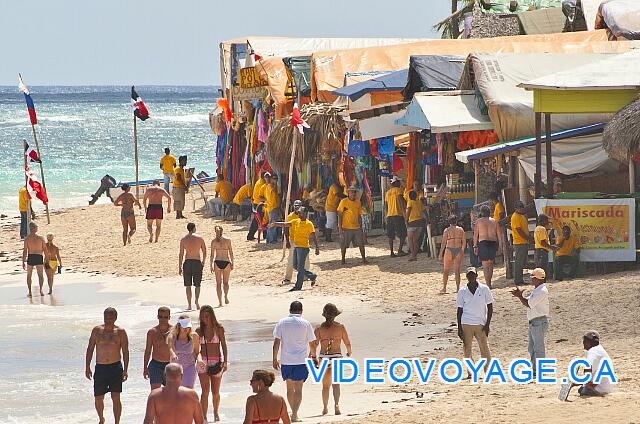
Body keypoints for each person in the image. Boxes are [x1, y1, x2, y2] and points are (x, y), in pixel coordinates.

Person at [273, 301, 316, 423]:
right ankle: (295, 414)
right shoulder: (306, 323)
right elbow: (312, 343)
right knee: (299, 389)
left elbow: (276, 342)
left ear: (289, 310)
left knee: (289, 389)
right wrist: (313, 356)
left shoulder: (281, 322)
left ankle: (293, 412)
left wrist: (274, 358)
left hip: (286, 361)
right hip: (300, 361)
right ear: (301, 311)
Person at [85, 307, 129, 424]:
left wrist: (125, 370)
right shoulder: (96, 330)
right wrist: (87, 366)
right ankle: (101, 419)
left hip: (115, 367)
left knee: (116, 397)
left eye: (110, 318)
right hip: (100, 367)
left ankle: (117, 422)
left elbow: (125, 351)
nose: (108, 320)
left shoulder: (120, 332)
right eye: (106, 317)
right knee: (98, 397)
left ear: (115, 318)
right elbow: (90, 349)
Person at [311, 303, 352, 416]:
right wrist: (349, 352)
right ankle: (337, 405)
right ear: (335, 315)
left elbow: (314, 345)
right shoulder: (341, 327)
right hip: (337, 357)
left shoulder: (319, 329)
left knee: (325, 386)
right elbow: (347, 342)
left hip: (324, 358)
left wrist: (313, 357)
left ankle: (325, 408)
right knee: (336, 384)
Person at [270, 207, 319, 292]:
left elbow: (313, 236)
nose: (299, 214)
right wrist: (276, 224)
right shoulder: (296, 221)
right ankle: (312, 276)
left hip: (303, 248)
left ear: (305, 214)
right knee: (295, 266)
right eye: (299, 213)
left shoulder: (309, 224)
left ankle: (298, 286)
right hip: (296, 246)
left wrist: (317, 247)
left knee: (299, 267)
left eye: (301, 213)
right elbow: (286, 224)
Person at [511, 268, 549, 376]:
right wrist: (520, 296)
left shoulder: (541, 291)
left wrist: (519, 296)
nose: (531, 279)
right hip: (535, 322)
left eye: (532, 277)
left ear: (537, 278)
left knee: (538, 347)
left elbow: (529, 304)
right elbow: (528, 301)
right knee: (532, 347)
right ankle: (535, 370)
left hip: (538, 321)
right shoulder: (538, 290)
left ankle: (540, 370)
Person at [456, 268, 493, 376]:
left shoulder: (484, 289)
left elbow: (490, 307)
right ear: (466, 277)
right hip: (466, 323)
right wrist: (459, 328)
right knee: (467, 349)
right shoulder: (462, 291)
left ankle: (488, 371)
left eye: (473, 275)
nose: (471, 277)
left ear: (476, 275)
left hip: (481, 323)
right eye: (469, 275)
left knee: (485, 349)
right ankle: (471, 372)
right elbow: (459, 310)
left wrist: (487, 324)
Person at [196, 305, 228, 422]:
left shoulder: (218, 329)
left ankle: (215, 412)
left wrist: (225, 362)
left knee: (215, 392)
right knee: (205, 391)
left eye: (207, 316)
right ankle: (203, 416)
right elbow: (196, 348)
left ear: (211, 315)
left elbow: (223, 345)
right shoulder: (199, 331)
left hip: (216, 361)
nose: (205, 318)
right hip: (202, 361)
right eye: (203, 316)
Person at [168, 316, 204, 389]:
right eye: (184, 327)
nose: (186, 329)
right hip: (175, 368)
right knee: (176, 391)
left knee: (188, 390)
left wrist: (199, 360)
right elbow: (170, 348)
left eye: (187, 326)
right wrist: (173, 354)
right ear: (179, 326)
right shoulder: (172, 336)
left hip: (190, 367)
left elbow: (197, 352)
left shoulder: (194, 336)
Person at [473, 205, 503, 288]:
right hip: (492, 243)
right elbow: (499, 235)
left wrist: (475, 246)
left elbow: (475, 235)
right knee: (491, 264)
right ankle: (489, 282)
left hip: (483, 243)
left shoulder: (478, 222)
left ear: (481, 213)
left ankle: (488, 284)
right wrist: (500, 246)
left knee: (485, 266)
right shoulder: (494, 221)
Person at [575, 331, 613, 397]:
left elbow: (588, 370)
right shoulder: (598, 349)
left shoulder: (593, 352)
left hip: (600, 388)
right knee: (581, 389)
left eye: (585, 341)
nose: (583, 343)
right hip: (607, 387)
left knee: (583, 391)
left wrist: (575, 382)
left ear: (589, 342)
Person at [144, 306, 173, 391]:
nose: (163, 319)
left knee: (171, 393)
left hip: (170, 365)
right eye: (160, 317)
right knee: (155, 393)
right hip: (156, 365)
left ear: (169, 317)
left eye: (165, 317)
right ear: (157, 317)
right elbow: (148, 350)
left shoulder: (174, 331)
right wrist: (145, 367)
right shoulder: (152, 332)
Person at [179, 223, 207, 311]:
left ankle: (189, 304)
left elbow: (181, 254)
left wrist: (179, 265)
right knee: (197, 284)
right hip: (197, 261)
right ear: (194, 228)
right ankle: (197, 301)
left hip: (187, 262)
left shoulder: (184, 239)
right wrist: (203, 262)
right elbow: (205, 251)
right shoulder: (199, 238)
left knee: (188, 285)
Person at [336, 186, 367, 265]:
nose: (353, 193)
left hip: (357, 227)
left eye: (354, 192)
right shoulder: (343, 202)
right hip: (346, 227)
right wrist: (340, 227)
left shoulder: (358, 202)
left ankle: (364, 259)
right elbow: (339, 214)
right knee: (344, 245)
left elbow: (359, 214)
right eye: (351, 192)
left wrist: (361, 226)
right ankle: (343, 259)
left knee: (361, 243)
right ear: (348, 193)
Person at [283, 201, 309, 285]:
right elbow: (286, 228)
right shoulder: (290, 216)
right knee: (291, 260)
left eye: (298, 206)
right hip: (293, 240)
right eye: (295, 206)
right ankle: (287, 278)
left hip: (303, 240)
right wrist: (287, 241)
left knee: (305, 259)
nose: (296, 208)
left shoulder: (304, 215)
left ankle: (305, 276)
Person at [439, 216, 466, 294]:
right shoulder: (460, 229)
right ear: (456, 221)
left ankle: (444, 288)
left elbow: (443, 243)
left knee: (446, 270)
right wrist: (462, 251)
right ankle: (457, 288)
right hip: (458, 249)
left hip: (449, 249)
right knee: (457, 270)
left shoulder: (447, 230)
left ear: (449, 222)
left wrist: (441, 253)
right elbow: (464, 242)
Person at [210, 225, 234, 307]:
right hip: (226, 261)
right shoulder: (228, 240)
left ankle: (220, 302)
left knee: (218, 283)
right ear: (222, 231)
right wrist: (232, 262)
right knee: (226, 282)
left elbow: (212, 255)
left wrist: (211, 265)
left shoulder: (213, 241)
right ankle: (226, 296)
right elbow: (231, 252)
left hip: (217, 262)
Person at [22, 221, 46, 297]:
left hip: (31, 256)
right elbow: (45, 249)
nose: (37, 228)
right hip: (39, 256)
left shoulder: (27, 239)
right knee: (40, 275)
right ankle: (41, 290)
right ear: (35, 228)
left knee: (29, 275)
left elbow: (25, 251)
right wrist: (47, 259)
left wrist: (23, 261)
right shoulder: (41, 238)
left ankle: (30, 292)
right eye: (37, 227)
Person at [385, 176, 407, 257]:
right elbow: (400, 198)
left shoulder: (388, 193)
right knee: (403, 234)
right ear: (396, 183)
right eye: (399, 182)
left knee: (391, 235)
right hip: (397, 214)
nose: (400, 184)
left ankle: (391, 252)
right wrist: (406, 205)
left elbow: (386, 205)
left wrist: (387, 213)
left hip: (389, 216)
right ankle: (400, 250)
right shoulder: (398, 190)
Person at [511, 200, 530, 285]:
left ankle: (520, 279)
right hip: (519, 242)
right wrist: (528, 238)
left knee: (522, 262)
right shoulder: (515, 216)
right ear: (516, 208)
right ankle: (518, 280)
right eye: (520, 208)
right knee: (519, 262)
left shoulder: (521, 216)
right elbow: (519, 230)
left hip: (524, 241)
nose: (521, 209)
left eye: (522, 207)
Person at [247, 171, 270, 241]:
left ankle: (253, 235)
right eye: (267, 177)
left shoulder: (259, 181)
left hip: (257, 203)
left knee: (260, 220)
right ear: (264, 177)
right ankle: (251, 235)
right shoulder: (262, 184)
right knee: (260, 220)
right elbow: (262, 196)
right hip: (259, 204)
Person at [405, 190, 426, 262]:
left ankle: (413, 255)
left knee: (410, 239)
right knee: (416, 241)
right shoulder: (419, 202)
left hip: (412, 223)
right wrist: (427, 219)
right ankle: (415, 255)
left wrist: (406, 220)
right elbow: (424, 211)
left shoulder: (410, 202)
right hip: (419, 222)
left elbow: (408, 211)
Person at [533, 214, 554, 278]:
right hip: (542, 251)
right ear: (542, 221)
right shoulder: (542, 229)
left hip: (538, 251)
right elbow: (543, 243)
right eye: (546, 220)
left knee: (539, 268)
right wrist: (552, 247)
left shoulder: (537, 228)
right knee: (542, 268)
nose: (547, 222)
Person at [264, 175, 282, 244]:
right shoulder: (270, 186)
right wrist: (275, 184)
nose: (276, 180)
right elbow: (273, 191)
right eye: (274, 179)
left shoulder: (273, 186)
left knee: (272, 223)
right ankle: (272, 240)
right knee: (272, 224)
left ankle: (270, 239)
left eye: (277, 179)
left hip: (274, 207)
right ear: (271, 179)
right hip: (272, 207)